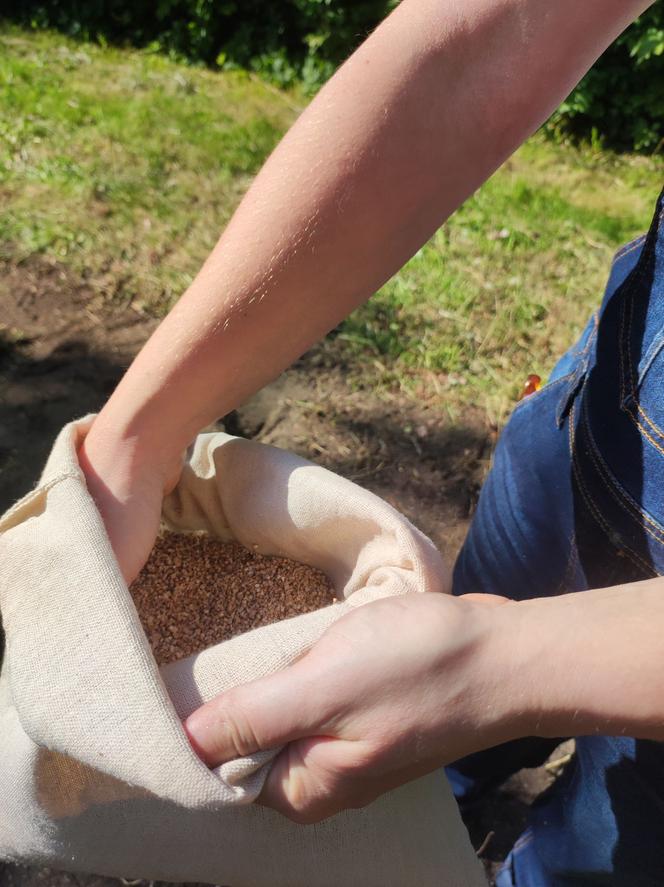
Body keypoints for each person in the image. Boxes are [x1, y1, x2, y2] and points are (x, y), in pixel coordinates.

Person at [79, 0, 663, 883]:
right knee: (449, 700)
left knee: (585, 850)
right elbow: (486, 37)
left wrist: (506, 662)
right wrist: (141, 438)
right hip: (599, 414)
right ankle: (446, 782)